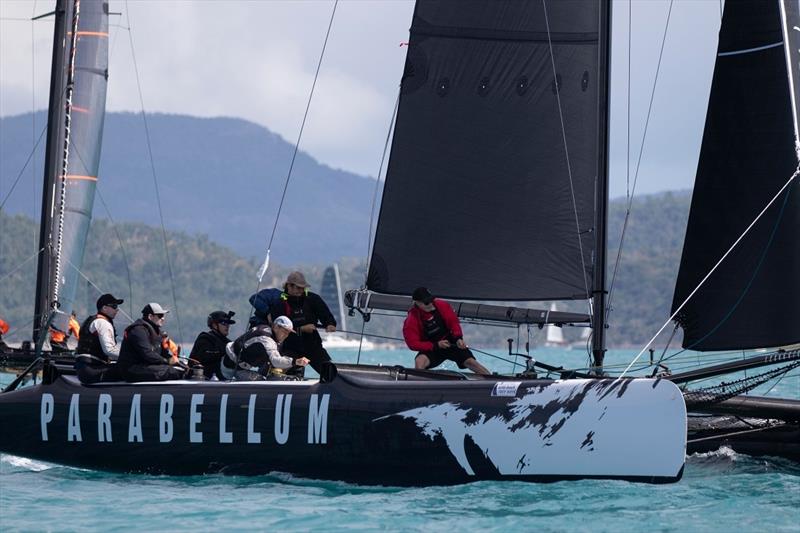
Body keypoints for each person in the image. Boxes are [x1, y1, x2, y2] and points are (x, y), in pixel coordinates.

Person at [403, 287, 490, 375]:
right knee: (419, 362)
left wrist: (458, 338)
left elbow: (454, 323)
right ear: (417, 303)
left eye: (431, 300)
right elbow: (413, 344)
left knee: (471, 362)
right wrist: (436, 345)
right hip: (432, 347)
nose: (430, 304)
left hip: (451, 343)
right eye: (426, 302)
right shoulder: (411, 320)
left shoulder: (442, 305)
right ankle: (419, 385)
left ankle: (491, 380)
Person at [267, 271, 336, 374]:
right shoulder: (279, 303)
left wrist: (330, 324)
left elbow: (325, 314)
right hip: (291, 348)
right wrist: (301, 329)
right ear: (289, 286)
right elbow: (277, 329)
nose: (301, 290)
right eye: (298, 288)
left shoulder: (313, 299)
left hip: (313, 346)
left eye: (303, 288)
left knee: (330, 374)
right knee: (284, 376)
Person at [221, 315, 309, 381]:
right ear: (275, 327)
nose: (286, 335)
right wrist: (296, 361)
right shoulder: (266, 339)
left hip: (239, 364)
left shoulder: (267, 331)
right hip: (231, 367)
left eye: (288, 332)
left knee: (266, 377)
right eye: (284, 331)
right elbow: (276, 361)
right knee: (261, 381)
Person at [117, 302, 186, 382]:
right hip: (132, 370)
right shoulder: (138, 330)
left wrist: (170, 356)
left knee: (182, 368)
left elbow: (161, 355)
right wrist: (167, 361)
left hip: (145, 366)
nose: (163, 318)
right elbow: (147, 354)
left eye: (163, 316)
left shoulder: (157, 332)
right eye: (160, 316)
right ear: (150, 316)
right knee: (171, 371)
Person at [74, 293, 125, 384]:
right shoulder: (102, 323)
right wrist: (131, 356)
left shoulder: (93, 320)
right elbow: (110, 350)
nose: (117, 309)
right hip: (92, 369)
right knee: (130, 369)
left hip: (85, 370)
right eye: (114, 306)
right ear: (104, 308)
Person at [189, 310, 235, 379]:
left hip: (220, 380)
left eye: (228, 323)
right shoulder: (205, 338)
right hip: (201, 380)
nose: (227, 326)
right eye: (223, 323)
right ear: (214, 325)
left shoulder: (228, 342)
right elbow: (206, 356)